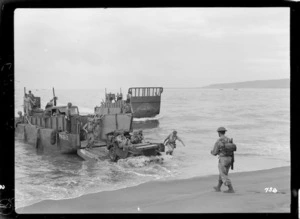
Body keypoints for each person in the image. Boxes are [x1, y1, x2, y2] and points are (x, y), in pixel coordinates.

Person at [211, 127, 235, 193]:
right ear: (224, 132)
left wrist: (211, 152)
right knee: (223, 173)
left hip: (223, 159)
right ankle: (218, 187)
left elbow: (214, 152)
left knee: (223, 174)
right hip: (230, 159)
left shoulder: (219, 141)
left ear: (219, 133)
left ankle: (231, 189)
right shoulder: (229, 139)